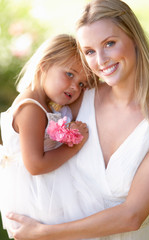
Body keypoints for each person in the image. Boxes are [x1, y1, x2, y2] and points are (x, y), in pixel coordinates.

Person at [6, 0, 149, 239]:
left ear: (134, 38)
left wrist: (43, 232)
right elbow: (26, 127)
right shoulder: (77, 99)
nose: (100, 60)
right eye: (89, 51)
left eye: (109, 43)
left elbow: (132, 215)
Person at [0, 33, 92, 238]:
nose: (74, 87)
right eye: (69, 74)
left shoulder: (44, 103)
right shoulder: (31, 108)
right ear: (44, 64)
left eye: (81, 84)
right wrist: (74, 146)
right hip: (36, 201)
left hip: (42, 196)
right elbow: (36, 165)